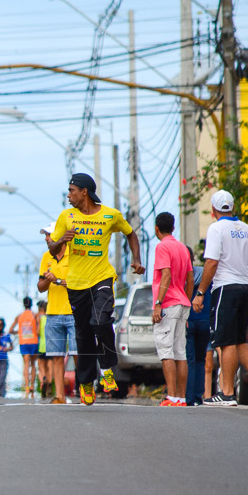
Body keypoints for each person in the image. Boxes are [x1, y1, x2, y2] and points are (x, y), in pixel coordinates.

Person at [48, 172, 145, 406]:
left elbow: (130, 233)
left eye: (72, 190)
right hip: (76, 283)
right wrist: (62, 241)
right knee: (82, 333)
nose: (68, 195)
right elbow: (52, 248)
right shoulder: (66, 217)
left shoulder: (110, 216)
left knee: (100, 322)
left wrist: (137, 259)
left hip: (102, 278)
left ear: (84, 192)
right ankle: (86, 382)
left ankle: (107, 367)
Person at [192, 190, 248, 406]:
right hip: (247, 287)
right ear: (233, 207)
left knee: (226, 341)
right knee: (239, 340)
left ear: (213, 211)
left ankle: (227, 393)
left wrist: (200, 293)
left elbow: (211, 263)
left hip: (226, 288)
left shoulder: (217, 229)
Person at [151, 212, 193, 407]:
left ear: (157, 229)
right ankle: (182, 398)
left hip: (168, 303)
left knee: (166, 351)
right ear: (173, 228)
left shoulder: (162, 247)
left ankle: (172, 396)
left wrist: (158, 303)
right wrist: (187, 299)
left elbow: (165, 275)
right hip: (183, 302)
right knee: (180, 352)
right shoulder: (183, 248)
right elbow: (190, 279)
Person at [38, 221, 76, 404]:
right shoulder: (46, 257)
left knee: (78, 354)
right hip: (53, 313)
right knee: (56, 356)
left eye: (48, 234)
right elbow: (40, 287)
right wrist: (48, 279)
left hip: (74, 312)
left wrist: (58, 280)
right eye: (45, 235)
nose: (46, 238)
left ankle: (84, 391)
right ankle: (59, 395)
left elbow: (79, 283)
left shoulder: (75, 254)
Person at [185, 246, 211, 406]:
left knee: (190, 359)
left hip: (188, 320)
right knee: (201, 359)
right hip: (205, 320)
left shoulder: (180, 276)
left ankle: (189, 398)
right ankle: (197, 397)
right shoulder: (205, 275)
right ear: (193, 258)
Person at [9, 297, 39, 398]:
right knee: (33, 364)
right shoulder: (35, 315)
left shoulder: (19, 316)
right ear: (31, 304)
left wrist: (20, 332)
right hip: (34, 341)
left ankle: (26, 386)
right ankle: (32, 386)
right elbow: (38, 330)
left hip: (24, 342)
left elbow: (10, 330)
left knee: (26, 364)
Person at [36, 300, 50, 398]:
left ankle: (42, 381)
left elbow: (37, 332)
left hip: (41, 345)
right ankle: (49, 386)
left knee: (41, 368)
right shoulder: (50, 318)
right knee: (50, 367)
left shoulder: (40, 318)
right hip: (50, 346)